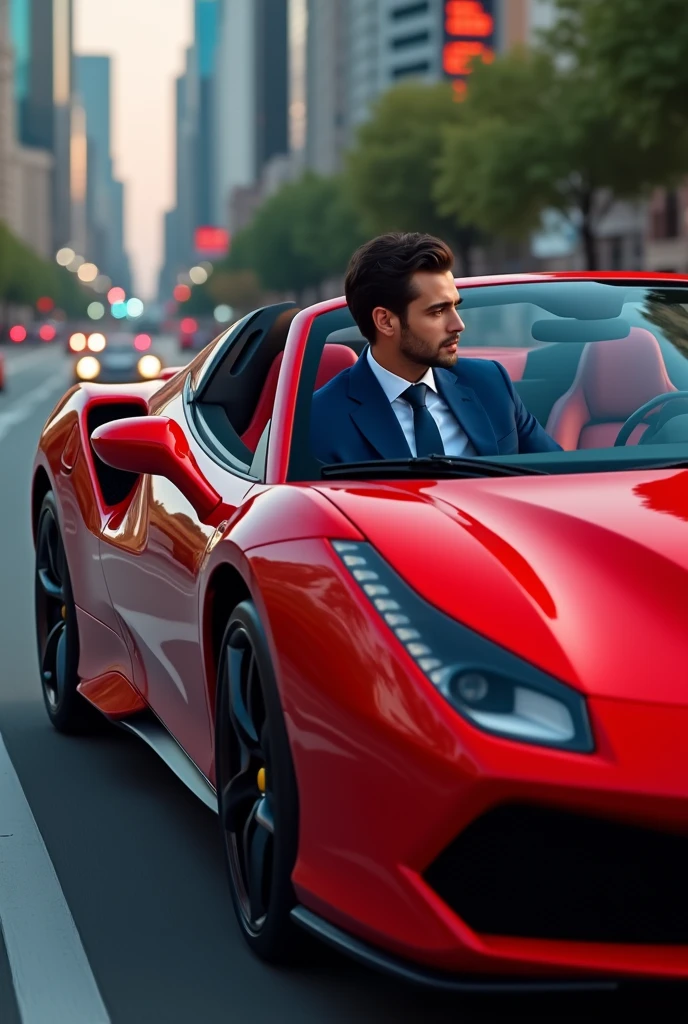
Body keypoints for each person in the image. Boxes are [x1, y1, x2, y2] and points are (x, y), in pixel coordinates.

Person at [310, 232, 562, 464]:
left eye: (455, 306)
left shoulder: (491, 382)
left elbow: (557, 474)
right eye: (438, 311)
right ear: (385, 321)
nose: (458, 324)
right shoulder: (320, 419)